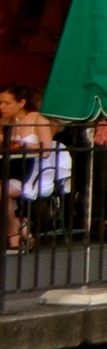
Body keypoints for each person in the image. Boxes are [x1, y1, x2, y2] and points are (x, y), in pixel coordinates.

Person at [0, 85, 61, 252]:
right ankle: (20, 224)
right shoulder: (5, 122)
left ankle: (13, 233)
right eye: (0, 103)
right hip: (10, 169)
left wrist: (23, 145)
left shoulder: (37, 119)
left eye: (7, 103)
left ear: (21, 103)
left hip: (33, 172)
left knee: (2, 192)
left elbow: (46, 150)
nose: (2, 107)